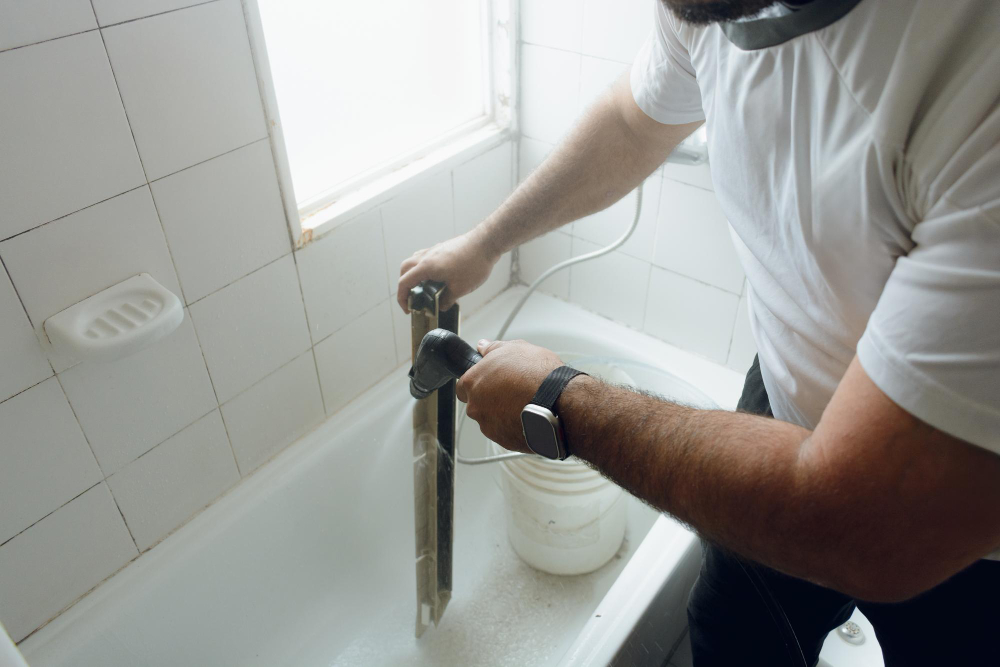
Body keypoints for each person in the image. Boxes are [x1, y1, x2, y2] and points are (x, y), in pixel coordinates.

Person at [396, 1, 1000, 664]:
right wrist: (485, 243)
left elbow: (867, 524)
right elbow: (633, 122)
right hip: (785, 392)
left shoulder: (974, 79)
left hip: (964, 516)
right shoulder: (707, 6)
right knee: (732, 630)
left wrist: (560, 402)